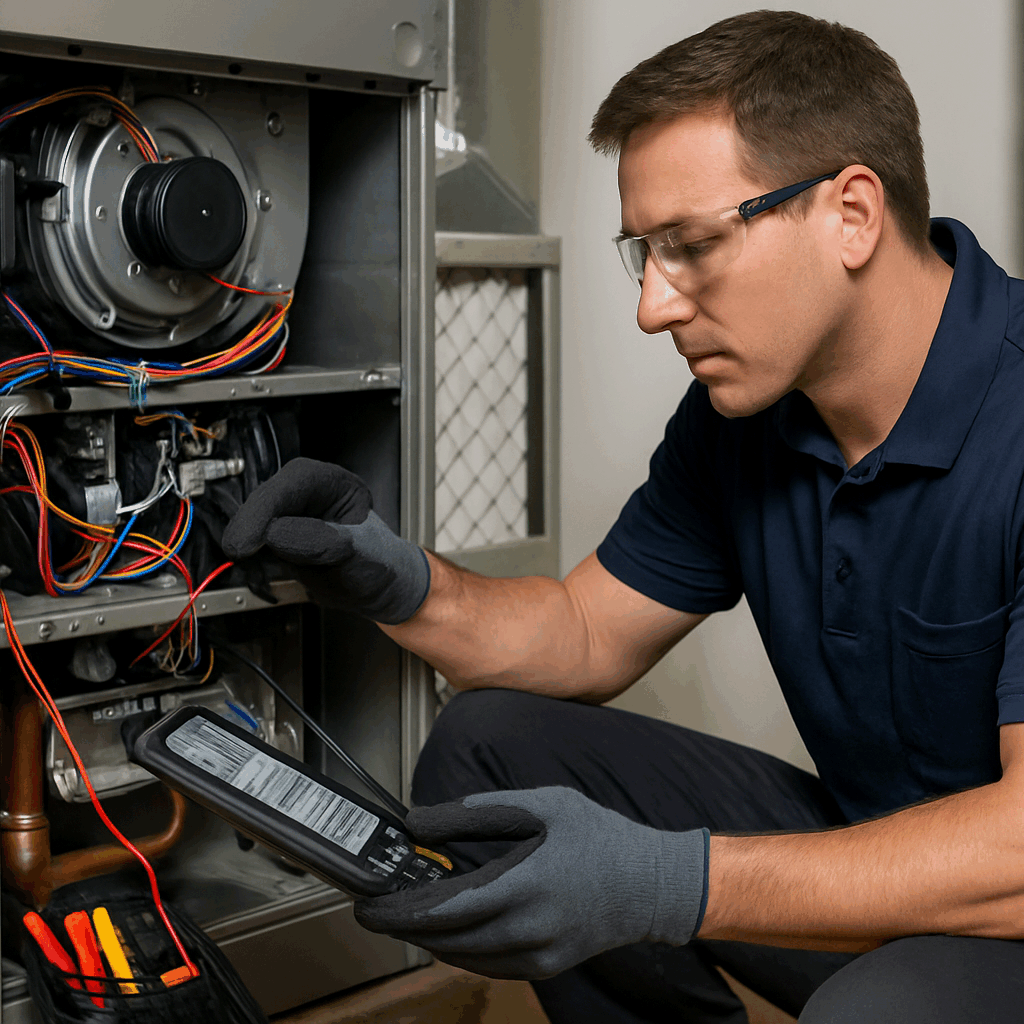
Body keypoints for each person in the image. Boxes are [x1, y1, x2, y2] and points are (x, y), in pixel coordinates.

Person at [222, 10, 1024, 1022]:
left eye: (690, 246)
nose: (652, 307)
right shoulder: (749, 415)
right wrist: (399, 579)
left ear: (851, 214)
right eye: (643, 253)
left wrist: (664, 881)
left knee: (883, 1008)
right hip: (882, 881)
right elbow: (585, 631)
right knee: (491, 751)